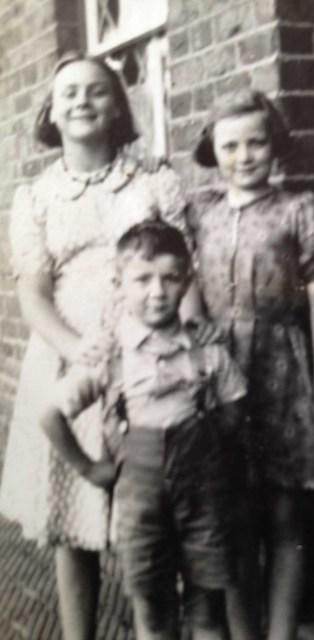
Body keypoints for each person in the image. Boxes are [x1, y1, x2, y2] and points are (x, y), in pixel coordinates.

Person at [0, 51, 190, 639]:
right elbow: (33, 294)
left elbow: (187, 273)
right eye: (69, 93)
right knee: (72, 515)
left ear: (118, 107)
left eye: (97, 91)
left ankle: (148, 630)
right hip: (68, 351)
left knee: (148, 514)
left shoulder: (154, 179)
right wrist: (80, 349)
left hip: (148, 347)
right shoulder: (35, 198)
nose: (82, 100)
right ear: (51, 114)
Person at [39, 222, 249, 640]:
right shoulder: (110, 354)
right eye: (142, 279)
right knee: (153, 613)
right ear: (119, 285)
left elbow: (234, 408)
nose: (157, 292)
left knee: (207, 610)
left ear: (187, 281)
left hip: (202, 498)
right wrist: (91, 469)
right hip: (140, 503)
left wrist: (209, 455)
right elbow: (50, 416)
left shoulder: (207, 348)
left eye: (171, 278)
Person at [190, 89, 314, 640]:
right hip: (217, 371)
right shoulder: (198, 211)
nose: (244, 155)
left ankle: (281, 632)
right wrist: (198, 338)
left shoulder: (298, 210)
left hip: (280, 372)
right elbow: (185, 286)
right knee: (229, 516)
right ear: (213, 149)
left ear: (274, 146)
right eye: (230, 145)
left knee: (283, 515)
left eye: (256, 142)